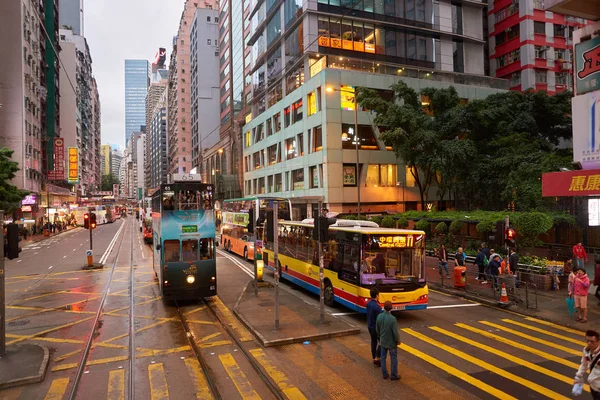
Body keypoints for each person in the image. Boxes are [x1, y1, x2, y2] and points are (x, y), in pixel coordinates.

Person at [376, 301, 400, 381]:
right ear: (391, 308)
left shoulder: (379, 316)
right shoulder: (393, 319)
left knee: (383, 358)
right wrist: (398, 340)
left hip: (383, 341)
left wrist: (380, 337)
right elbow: (395, 332)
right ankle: (394, 375)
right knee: (393, 358)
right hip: (391, 342)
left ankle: (384, 374)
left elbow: (377, 329)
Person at [574, 329, 600, 399]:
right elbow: (584, 364)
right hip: (593, 386)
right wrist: (578, 376)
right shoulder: (586, 351)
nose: (589, 343)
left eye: (592, 341)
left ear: (598, 341)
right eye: (587, 340)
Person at [366, 289, 383, 367]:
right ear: (377, 295)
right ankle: (377, 357)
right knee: (381, 342)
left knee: (373, 341)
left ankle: (374, 357)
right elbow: (380, 317)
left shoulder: (368, 303)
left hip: (370, 325)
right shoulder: (377, 306)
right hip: (376, 327)